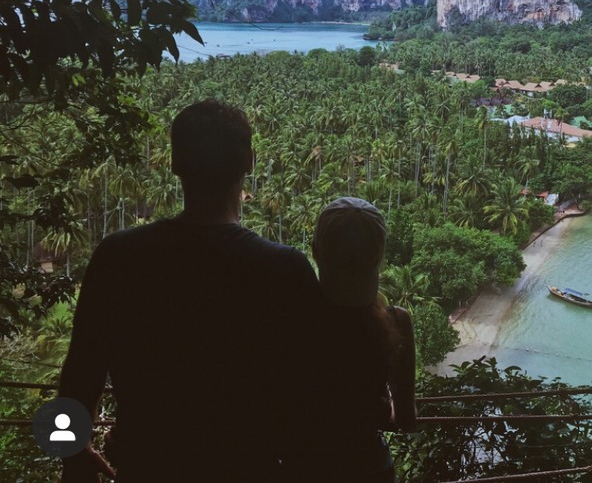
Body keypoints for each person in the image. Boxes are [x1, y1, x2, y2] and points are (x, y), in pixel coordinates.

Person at [59, 99, 324, 482]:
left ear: (174, 164)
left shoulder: (118, 258)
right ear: (249, 161)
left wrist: (70, 455)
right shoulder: (285, 270)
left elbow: (77, 377)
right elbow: (312, 399)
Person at [299, 197, 416, 483]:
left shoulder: (295, 316)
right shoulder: (397, 321)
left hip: (305, 466)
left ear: (315, 251)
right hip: (369, 469)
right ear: (379, 256)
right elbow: (405, 420)